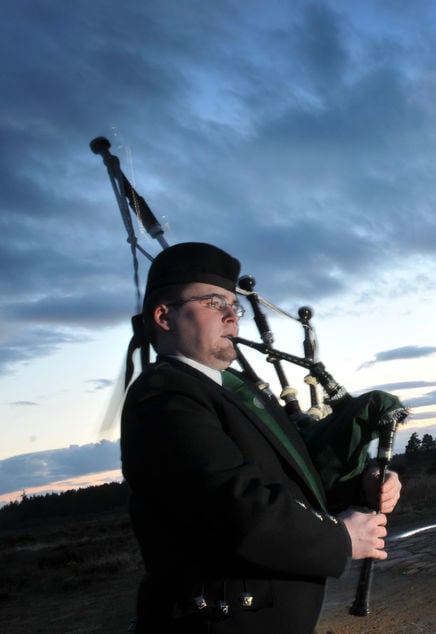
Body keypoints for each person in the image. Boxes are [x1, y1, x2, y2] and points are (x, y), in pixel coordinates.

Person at [120, 242, 401, 633]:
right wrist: (340, 539)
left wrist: (363, 484)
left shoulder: (234, 390)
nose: (232, 314)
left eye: (233, 305)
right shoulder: (163, 395)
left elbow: (296, 472)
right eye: (214, 302)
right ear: (164, 316)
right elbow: (234, 507)